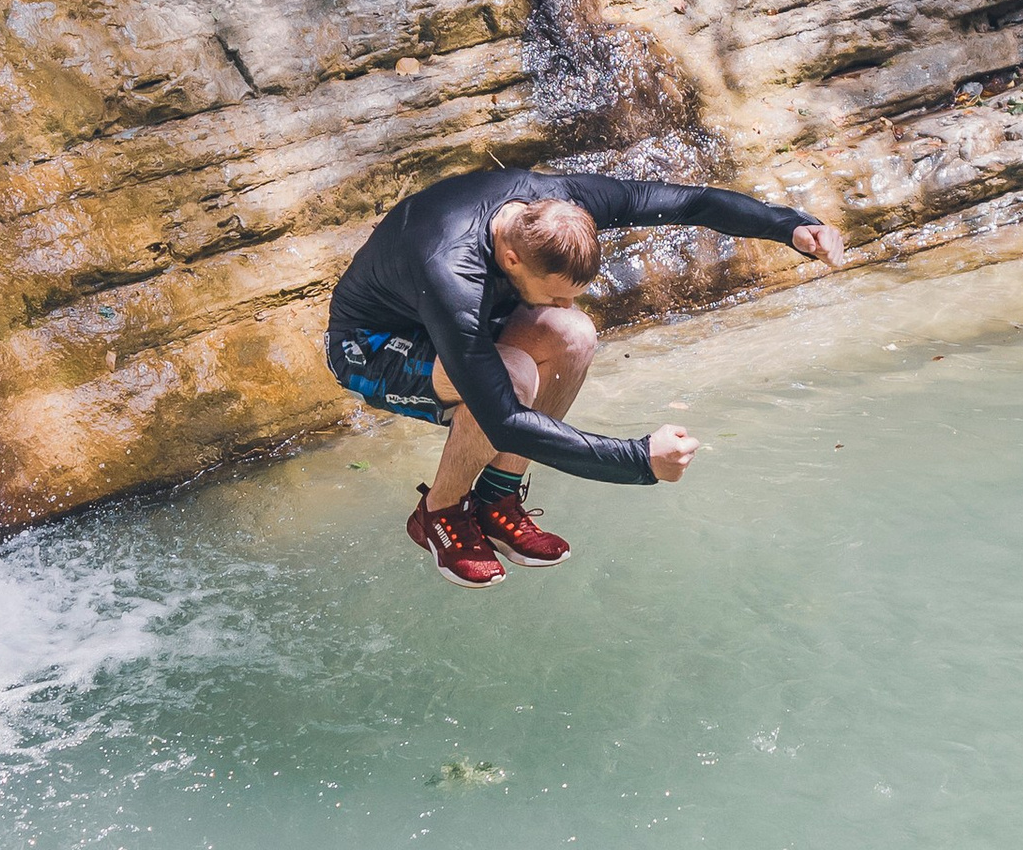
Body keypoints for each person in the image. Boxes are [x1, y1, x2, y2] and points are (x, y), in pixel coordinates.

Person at [328, 165, 846, 587]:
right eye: (555, 291)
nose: (564, 300)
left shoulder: (558, 203)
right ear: (510, 258)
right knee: (509, 378)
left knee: (574, 333)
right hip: (369, 346)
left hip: (463, 325)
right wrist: (640, 462)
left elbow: (688, 202)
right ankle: (439, 513)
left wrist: (789, 226)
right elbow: (503, 419)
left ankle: (496, 496)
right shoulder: (452, 273)